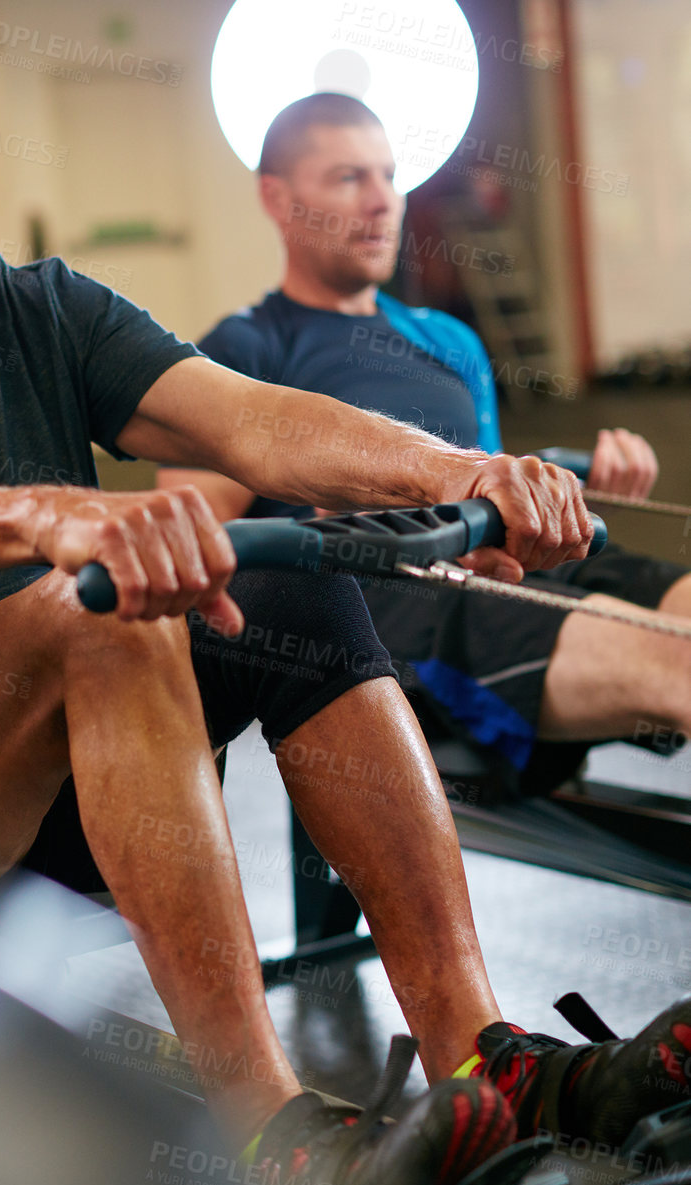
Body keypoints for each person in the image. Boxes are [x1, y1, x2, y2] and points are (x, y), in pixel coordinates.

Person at [0, 0, 687, 1185]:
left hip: (51, 766)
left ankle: (485, 1057)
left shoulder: (33, 307)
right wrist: (47, 517)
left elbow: (256, 419)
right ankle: (270, 1134)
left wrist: (459, 473)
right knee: (93, 601)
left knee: (294, 577)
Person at [159, 91, 691, 803]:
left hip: (514, 580)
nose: (383, 201)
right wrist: (318, 533)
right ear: (278, 198)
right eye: (349, 178)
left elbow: (495, 491)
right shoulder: (244, 350)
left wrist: (566, 501)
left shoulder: (452, 341)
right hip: (405, 611)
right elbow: (191, 545)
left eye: (388, 174)